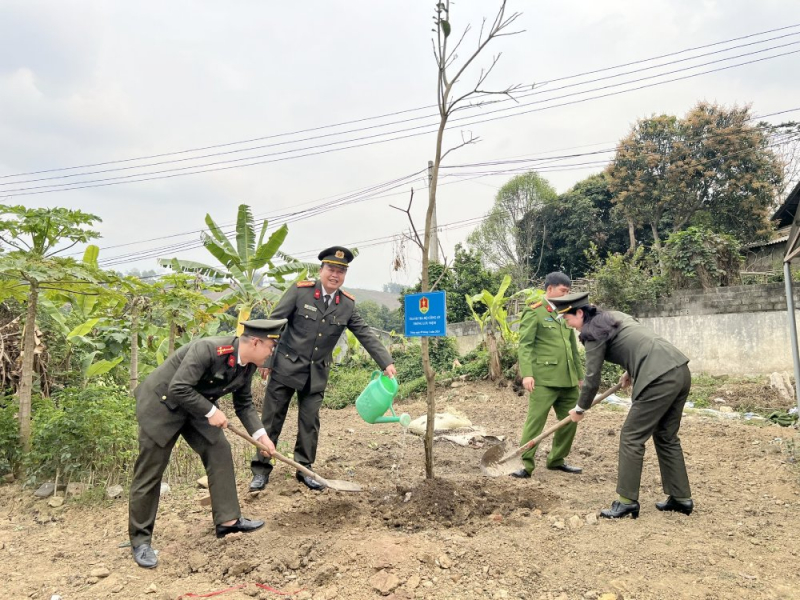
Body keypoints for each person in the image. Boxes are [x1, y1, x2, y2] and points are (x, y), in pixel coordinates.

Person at [128, 319, 287, 569]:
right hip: (162, 405)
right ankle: (140, 541)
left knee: (219, 450)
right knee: (151, 470)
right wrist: (212, 411)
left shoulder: (247, 366)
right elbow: (178, 387)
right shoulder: (209, 349)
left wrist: (261, 437)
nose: (271, 353)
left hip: (194, 407)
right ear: (255, 342)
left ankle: (228, 521)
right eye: (270, 347)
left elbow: (244, 404)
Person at [249, 246, 396, 492]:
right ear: (321, 270)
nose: (335, 275)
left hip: (316, 374)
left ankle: (304, 469)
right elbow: (274, 323)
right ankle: (261, 470)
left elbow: (365, 334)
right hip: (285, 367)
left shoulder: (346, 304)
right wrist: (265, 360)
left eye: (341, 271)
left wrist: (386, 361)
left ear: (344, 275)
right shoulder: (300, 292)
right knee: (272, 420)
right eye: (331, 269)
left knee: (309, 423)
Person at [552, 291, 694, 519]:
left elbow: (592, 378)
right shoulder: (614, 316)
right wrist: (630, 370)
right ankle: (681, 498)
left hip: (657, 377)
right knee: (666, 435)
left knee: (631, 436)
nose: (570, 326)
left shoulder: (592, 332)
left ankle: (626, 501)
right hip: (679, 369)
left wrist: (580, 408)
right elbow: (639, 341)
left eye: (568, 320)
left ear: (579, 313)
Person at [513, 272, 585, 479]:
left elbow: (572, 347)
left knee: (570, 420)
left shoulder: (565, 313)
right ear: (550, 289)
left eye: (568, 292)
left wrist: (580, 376)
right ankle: (525, 463)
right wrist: (527, 374)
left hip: (568, 379)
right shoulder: (534, 311)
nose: (565, 295)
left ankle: (556, 460)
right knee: (535, 422)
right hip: (543, 379)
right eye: (563, 291)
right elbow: (525, 345)